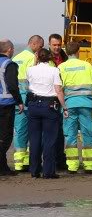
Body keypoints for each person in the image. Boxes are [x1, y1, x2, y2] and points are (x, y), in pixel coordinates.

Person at [59, 41, 92, 174]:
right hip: (86, 105)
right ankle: (89, 165)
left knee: (71, 135)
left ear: (66, 52)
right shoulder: (86, 66)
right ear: (78, 51)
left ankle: (72, 166)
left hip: (69, 105)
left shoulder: (61, 67)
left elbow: (58, 88)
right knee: (87, 134)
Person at [26, 49, 67, 179]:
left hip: (33, 105)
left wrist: (35, 60)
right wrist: (64, 107)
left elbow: (29, 84)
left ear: (37, 57)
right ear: (50, 58)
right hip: (49, 105)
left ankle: (34, 170)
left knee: (34, 139)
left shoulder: (30, 70)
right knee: (50, 139)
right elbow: (58, 90)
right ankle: (48, 171)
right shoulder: (54, 70)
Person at [11, 34, 44, 171]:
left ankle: (19, 163)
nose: (40, 50)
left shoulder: (15, 58)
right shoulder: (32, 58)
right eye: (40, 47)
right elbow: (35, 78)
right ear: (34, 44)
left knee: (19, 131)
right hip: (29, 100)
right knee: (35, 132)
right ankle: (31, 162)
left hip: (16, 100)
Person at [0, 39, 24, 175]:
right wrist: (19, 101)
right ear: (9, 50)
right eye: (13, 49)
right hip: (5, 105)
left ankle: (3, 168)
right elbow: (12, 86)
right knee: (6, 137)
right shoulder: (9, 64)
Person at [48, 33, 68, 170]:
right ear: (49, 45)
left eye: (59, 45)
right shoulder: (45, 58)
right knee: (51, 132)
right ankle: (53, 160)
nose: (57, 47)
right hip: (51, 97)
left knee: (60, 132)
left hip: (62, 96)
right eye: (54, 45)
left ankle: (60, 159)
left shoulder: (64, 57)